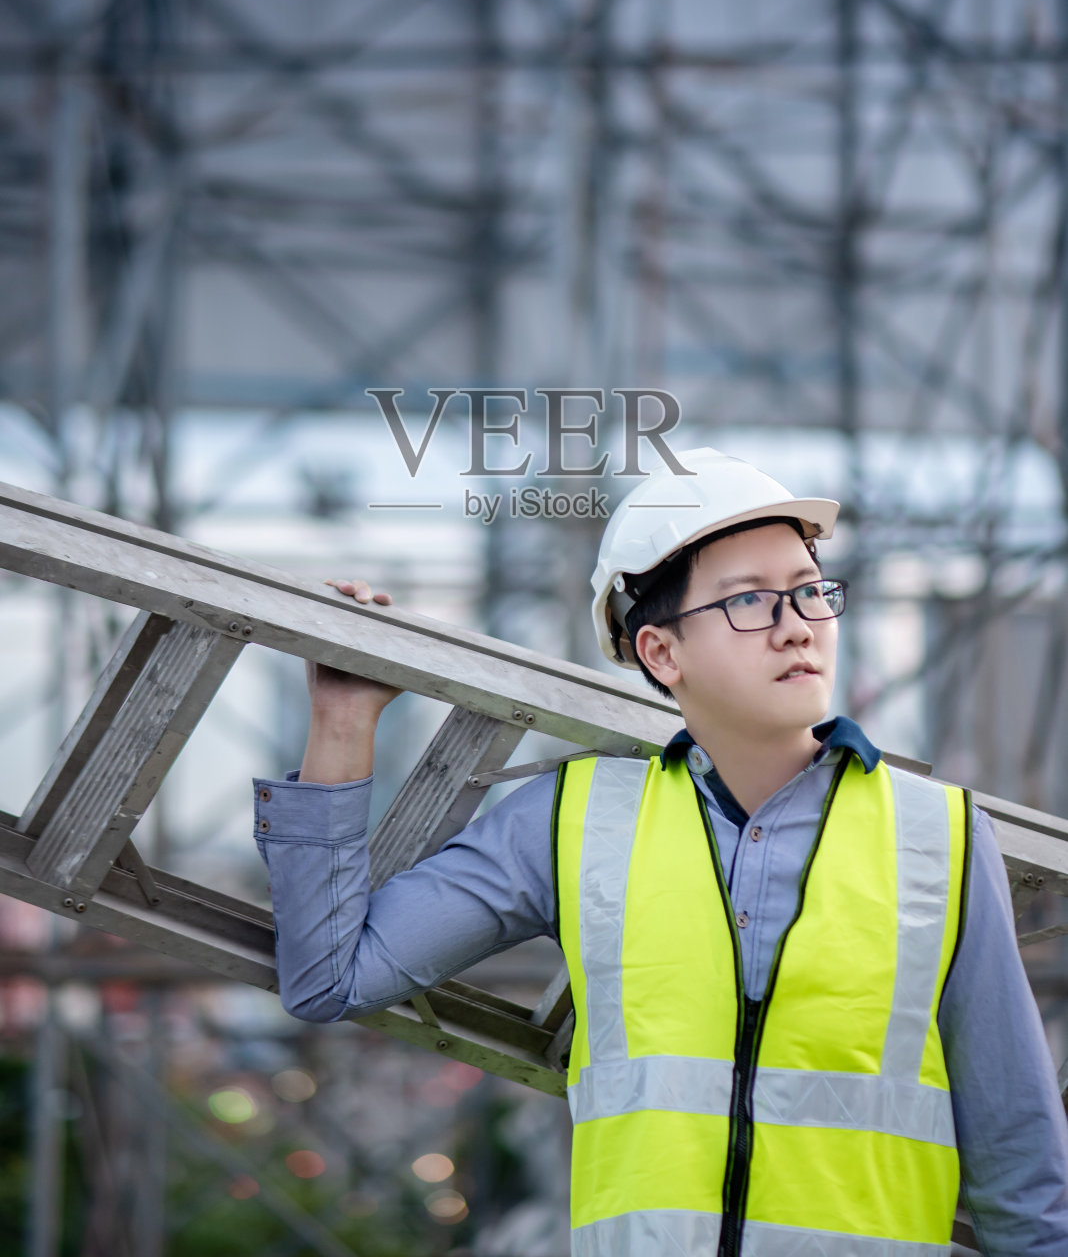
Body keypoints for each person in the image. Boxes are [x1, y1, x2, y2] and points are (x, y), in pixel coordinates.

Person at [253, 448, 1068, 1255]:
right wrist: (342, 722)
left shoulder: (941, 839)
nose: (798, 628)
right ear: (661, 653)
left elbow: (1021, 1170)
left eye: (810, 592)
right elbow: (331, 978)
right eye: (751, 600)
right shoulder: (572, 822)